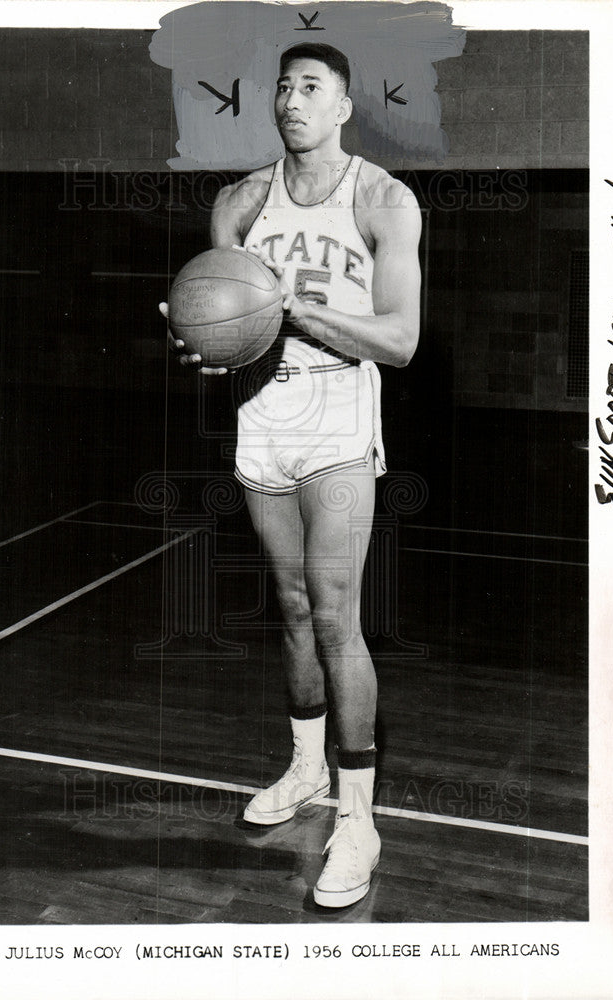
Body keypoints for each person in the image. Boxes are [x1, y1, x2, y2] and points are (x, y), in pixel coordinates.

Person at [162, 42, 421, 908]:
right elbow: (222, 321)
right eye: (282, 87)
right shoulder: (239, 201)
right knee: (295, 608)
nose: (291, 99)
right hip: (262, 417)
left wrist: (294, 308)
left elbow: (401, 339)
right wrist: (202, 336)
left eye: (311, 87)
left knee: (338, 616)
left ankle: (359, 820)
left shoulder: (383, 199)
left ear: (344, 106)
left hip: (340, 418)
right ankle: (308, 769)